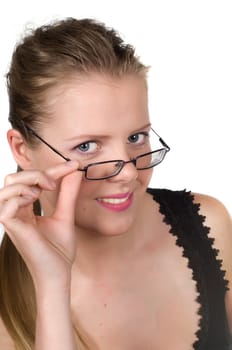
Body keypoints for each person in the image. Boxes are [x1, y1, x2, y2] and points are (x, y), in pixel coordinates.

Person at [0, 17, 231, 350]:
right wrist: (52, 284)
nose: (128, 173)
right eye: (87, 146)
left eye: (136, 137)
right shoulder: (6, 307)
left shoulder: (210, 226)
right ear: (22, 149)